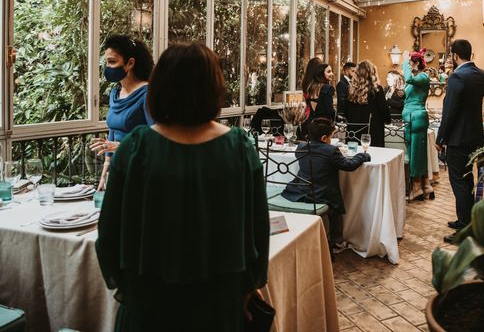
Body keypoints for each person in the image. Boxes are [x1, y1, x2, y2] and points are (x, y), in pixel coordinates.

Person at [96, 43, 269, 331]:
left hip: (148, 307)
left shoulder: (135, 148)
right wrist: (250, 285)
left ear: (161, 87)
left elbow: (109, 230)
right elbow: (258, 228)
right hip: (219, 307)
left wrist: (127, 285)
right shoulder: (239, 148)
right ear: (214, 87)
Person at [282, 118, 370, 252]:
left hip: (300, 191)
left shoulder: (301, 147)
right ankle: (336, 241)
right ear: (324, 138)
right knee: (335, 209)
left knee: (331, 200)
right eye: (332, 136)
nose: (332, 139)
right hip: (320, 195)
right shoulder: (331, 151)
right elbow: (349, 165)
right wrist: (362, 156)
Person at [436, 39, 484, 242]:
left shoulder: (457, 77)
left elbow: (450, 112)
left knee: (459, 183)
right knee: (468, 180)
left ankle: (465, 229)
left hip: (458, 139)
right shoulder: (480, 75)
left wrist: (441, 138)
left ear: (455, 56)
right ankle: (465, 219)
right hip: (476, 136)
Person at [91, 35, 154, 191]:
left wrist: (119, 146)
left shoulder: (148, 94)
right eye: (106, 62)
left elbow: (157, 140)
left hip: (141, 172)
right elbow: (113, 131)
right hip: (119, 170)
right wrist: (105, 174)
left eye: (112, 61)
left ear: (130, 63)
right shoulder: (116, 92)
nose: (108, 67)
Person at [402, 49, 435, 201]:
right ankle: (425, 184)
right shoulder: (418, 78)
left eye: (410, 64)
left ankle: (416, 187)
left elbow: (408, 78)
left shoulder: (423, 76)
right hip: (411, 118)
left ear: (415, 63)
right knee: (419, 152)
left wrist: (404, 61)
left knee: (415, 153)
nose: (409, 66)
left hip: (415, 117)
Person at [344, 60, 391, 147]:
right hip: (372, 135)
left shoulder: (350, 90)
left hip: (353, 135)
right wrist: (388, 120)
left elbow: (346, 113)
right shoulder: (376, 90)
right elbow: (384, 111)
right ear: (372, 73)